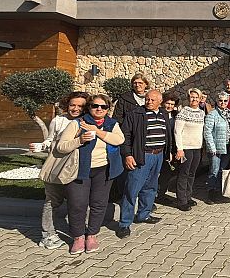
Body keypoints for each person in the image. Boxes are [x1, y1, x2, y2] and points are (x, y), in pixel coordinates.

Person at [57, 94, 125, 254]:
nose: (99, 109)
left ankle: (92, 235)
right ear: (89, 107)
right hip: (80, 170)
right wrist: (79, 141)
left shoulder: (111, 123)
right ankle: (78, 237)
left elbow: (119, 140)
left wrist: (97, 131)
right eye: (95, 106)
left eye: (103, 107)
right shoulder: (78, 123)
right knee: (77, 205)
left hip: (104, 169)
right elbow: (61, 147)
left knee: (99, 204)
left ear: (108, 109)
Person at [33, 91, 89, 250]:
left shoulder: (87, 121)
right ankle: (48, 235)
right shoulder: (58, 121)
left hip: (78, 167)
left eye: (80, 106)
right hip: (58, 166)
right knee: (52, 201)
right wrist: (42, 145)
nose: (76, 108)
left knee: (79, 201)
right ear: (67, 105)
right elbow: (49, 140)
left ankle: (78, 232)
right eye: (73, 105)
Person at [117, 90, 172, 239]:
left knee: (151, 187)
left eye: (153, 100)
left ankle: (143, 214)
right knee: (132, 189)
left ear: (160, 101)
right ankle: (124, 223)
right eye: (147, 99)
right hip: (142, 156)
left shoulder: (163, 114)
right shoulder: (135, 114)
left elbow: (168, 134)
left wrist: (168, 152)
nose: (149, 102)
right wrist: (127, 155)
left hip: (158, 155)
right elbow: (125, 136)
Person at [173, 88, 205, 211]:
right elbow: (177, 131)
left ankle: (188, 196)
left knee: (192, 174)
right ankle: (181, 200)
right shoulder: (183, 112)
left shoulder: (201, 113)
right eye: (192, 97)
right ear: (188, 98)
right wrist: (179, 149)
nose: (194, 99)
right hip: (185, 148)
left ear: (200, 98)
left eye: (196, 97)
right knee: (183, 174)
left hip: (197, 148)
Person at [203, 91, 230, 204]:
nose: (223, 102)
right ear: (217, 101)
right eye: (220, 100)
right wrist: (212, 148)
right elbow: (207, 132)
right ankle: (211, 194)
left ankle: (219, 192)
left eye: (225, 100)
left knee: (222, 170)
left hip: (227, 146)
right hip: (216, 147)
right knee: (214, 170)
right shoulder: (212, 114)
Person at [156, 92, 180, 205]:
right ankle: (154, 196)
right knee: (156, 174)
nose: (169, 106)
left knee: (166, 173)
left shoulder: (175, 116)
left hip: (172, 149)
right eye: (167, 103)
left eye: (172, 104)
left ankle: (161, 194)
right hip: (161, 148)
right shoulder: (159, 115)